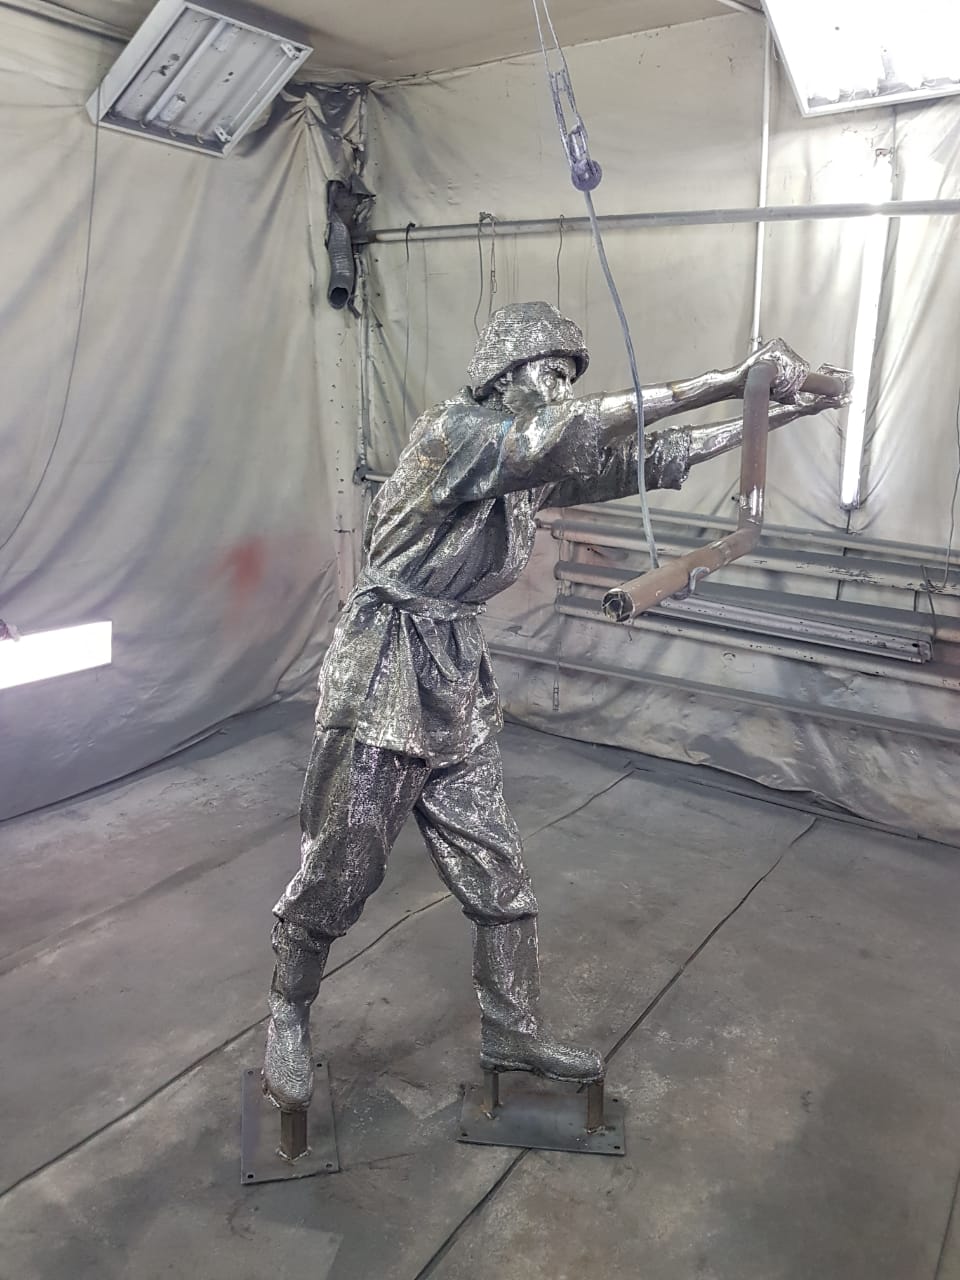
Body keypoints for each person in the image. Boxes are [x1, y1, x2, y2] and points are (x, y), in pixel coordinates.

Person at [262, 301, 842, 1113]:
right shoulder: (456, 434)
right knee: (341, 865)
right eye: (549, 371)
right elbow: (561, 434)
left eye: (570, 378)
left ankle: (511, 1031)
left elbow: (641, 457)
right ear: (503, 373)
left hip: (452, 673)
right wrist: (726, 378)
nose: (560, 388)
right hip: (384, 667)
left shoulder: (523, 469)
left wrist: (769, 413)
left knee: (500, 874)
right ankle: (288, 1013)